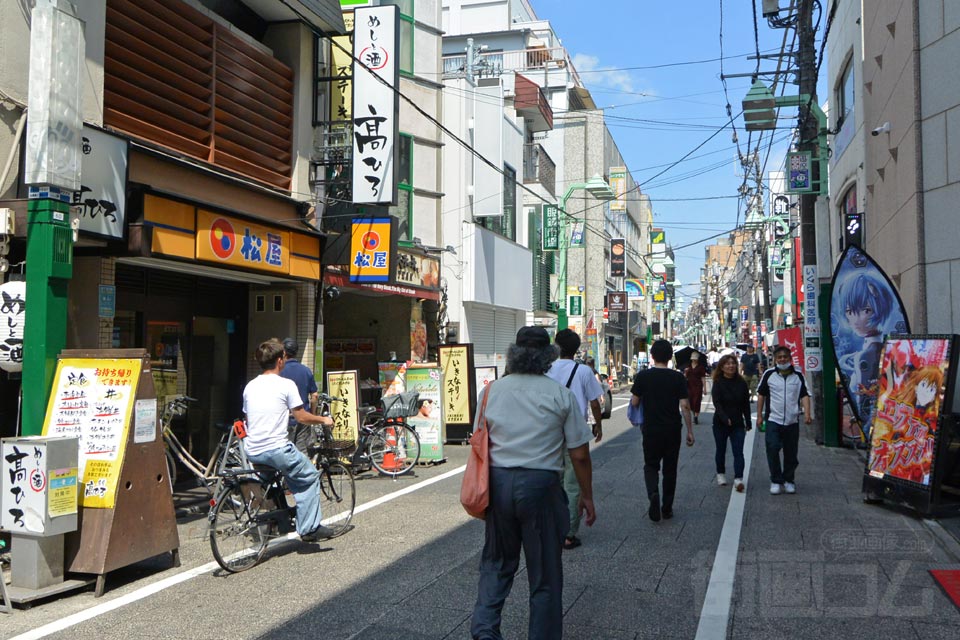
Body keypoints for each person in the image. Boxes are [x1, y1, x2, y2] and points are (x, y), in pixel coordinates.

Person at [471, 326, 596, 640]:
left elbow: (478, 442)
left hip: (498, 485)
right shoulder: (559, 394)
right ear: (548, 357)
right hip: (541, 486)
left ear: (514, 354)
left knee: (496, 563)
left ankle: (485, 631)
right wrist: (587, 495)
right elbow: (579, 455)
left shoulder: (490, 392)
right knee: (544, 575)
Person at [243, 338, 335, 541]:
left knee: (273, 481)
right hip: (276, 448)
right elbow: (302, 416)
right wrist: (323, 419)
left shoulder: (250, 386)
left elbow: (250, 418)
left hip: (252, 449)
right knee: (309, 476)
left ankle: (280, 520)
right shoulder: (286, 384)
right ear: (280, 361)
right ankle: (310, 528)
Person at [546, 329, 603, 551]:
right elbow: (595, 403)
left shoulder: (547, 368)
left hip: (550, 430)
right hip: (576, 429)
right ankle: (568, 533)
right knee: (573, 482)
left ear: (556, 346)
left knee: (555, 479)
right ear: (577, 348)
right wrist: (598, 424)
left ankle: (552, 526)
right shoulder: (583, 371)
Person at [630, 339, 695, 522]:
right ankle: (667, 508)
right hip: (672, 429)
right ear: (670, 357)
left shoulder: (643, 377)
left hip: (651, 429)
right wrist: (690, 431)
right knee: (670, 469)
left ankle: (653, 494)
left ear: (652, 356)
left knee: (651, 465)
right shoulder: (678, 378)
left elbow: (635, 402)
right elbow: (685, 406)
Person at [756, 345, 811, 495]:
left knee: (791, 453)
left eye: (785, 357)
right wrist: (759, 415)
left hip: (792, 421)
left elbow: (804, 395)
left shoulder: (798, 376)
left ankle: (789, 480)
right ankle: (775, 480)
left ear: (790, 358)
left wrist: (807, 413)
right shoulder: (769, 375)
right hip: (773, 419)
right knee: (772, 448)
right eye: (779, 357)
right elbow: (761, 395)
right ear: (775, 359)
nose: (782, 359)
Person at [711, 354, 752, 491]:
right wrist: (724, 417)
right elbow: (716, 403)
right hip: (720, 423)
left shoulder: (741, 383)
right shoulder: (718, 382)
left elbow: (746, 403)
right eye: (727, 364)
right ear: (722, 367)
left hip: (737, 423)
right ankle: (720, 473)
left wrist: (748, 420)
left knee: (738, 451)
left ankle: (738, 478)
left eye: (733, 363)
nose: (731, 366)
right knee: (721, 449)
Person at [279, 337, 319, 454]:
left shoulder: (280, 371)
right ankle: (303, 472)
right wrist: (312, 413)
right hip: (304, 418)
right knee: (301, 451)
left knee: (285, 452)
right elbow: (315, 396)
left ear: (284, 352)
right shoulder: (306, 370)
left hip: (285, 418)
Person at [683, 352, 707, 424]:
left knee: (697, 401)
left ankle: (696, 417)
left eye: (695, 359)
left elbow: (703, 378)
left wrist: (705, 388)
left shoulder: (701, 367)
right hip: (689, 385)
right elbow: (685, 377)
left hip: (698, 385)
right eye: (693, 359)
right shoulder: (688, 366)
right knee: (690, 401)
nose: (694, 360)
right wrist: (685, 371)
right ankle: (694, 414)